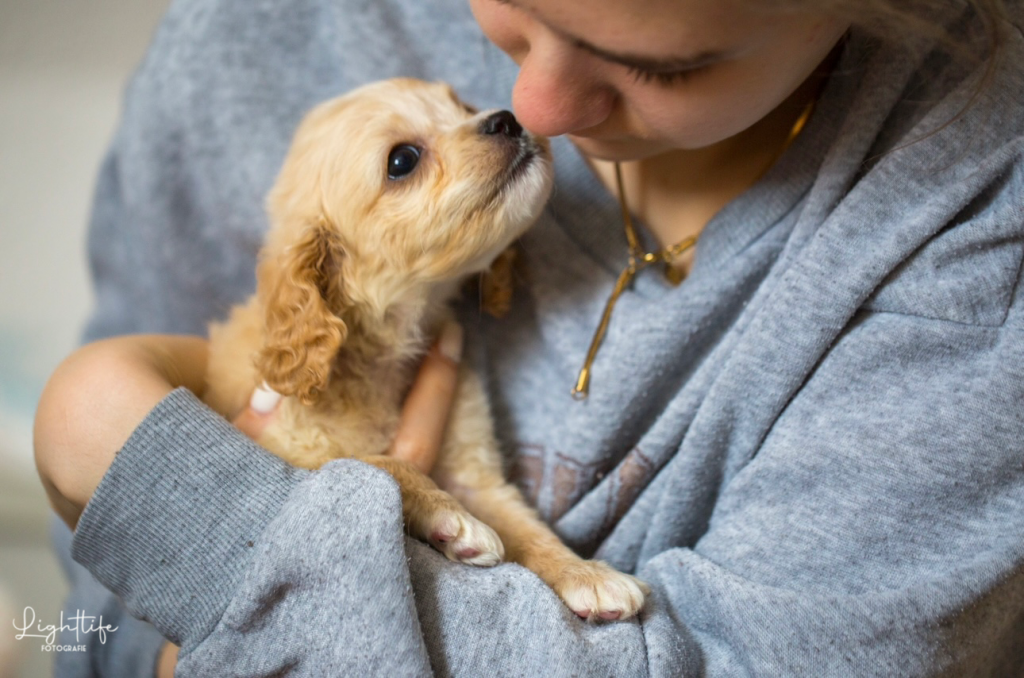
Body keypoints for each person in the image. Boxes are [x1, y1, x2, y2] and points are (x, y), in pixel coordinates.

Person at [33, 0, 1024, 674]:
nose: (531, 111)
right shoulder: (254, 41)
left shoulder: (974, 207)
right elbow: (97, 609)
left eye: (659, 65)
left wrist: (208, 557)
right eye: (510, 8)